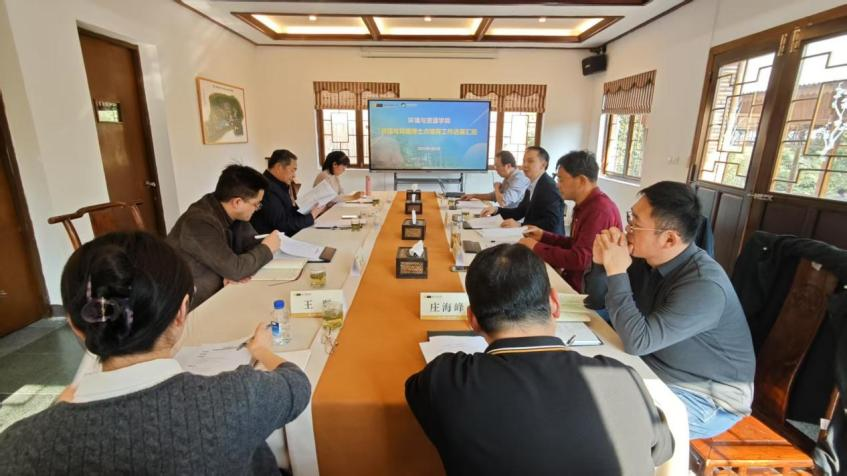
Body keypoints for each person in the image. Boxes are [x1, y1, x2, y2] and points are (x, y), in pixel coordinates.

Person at [0, 231, 311, 474]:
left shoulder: (21, 446)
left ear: (75, 325)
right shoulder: (240, 396)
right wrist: (262, 351)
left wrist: (60, 404)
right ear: (181, 312)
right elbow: (296, 383)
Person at [406, 244, 673, 475]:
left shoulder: (447, 379)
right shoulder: (622, 378)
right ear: (554, 304)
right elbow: (662, 450)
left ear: (472, 320)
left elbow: (415, 394)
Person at [587, 181, 755, 439]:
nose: (626, 228)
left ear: (669, 238)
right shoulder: (648, 260)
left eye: (635, 223)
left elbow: (637, 342)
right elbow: (597, 302)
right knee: (580, 372)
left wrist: (617, 271)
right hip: (656, 364)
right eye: (630, 217)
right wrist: (602, 265)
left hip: (705, 397)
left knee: (604, 416)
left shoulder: (704, 285)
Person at [167, 164, 279, 308]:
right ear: (237, 202)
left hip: (221, 292)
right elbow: (236, 269)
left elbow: (251, 245)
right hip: (188, 305)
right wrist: (266, 248)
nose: (257, 209)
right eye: (256, 204)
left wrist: (232, 271)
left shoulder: (232, 213)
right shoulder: (199, 222)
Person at [519, 150, 622, 293]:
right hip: (573, 279)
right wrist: (543, 236)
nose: (557, 185)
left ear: (581, 181)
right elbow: (576, 244)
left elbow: (581, 259)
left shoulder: (599, 210)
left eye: (561, 180)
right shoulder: (585, 205)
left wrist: (536, 247)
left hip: (587, 291)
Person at [480, 146, 564, 235]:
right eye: (524, 161)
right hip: (532, 235)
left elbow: (552, 222)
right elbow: (519, 212)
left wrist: (521, 225)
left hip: (548, 240)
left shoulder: (549, 187)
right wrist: (496, 210)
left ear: (543, 164)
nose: (525, 165)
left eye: (530, 161)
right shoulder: (532, 184)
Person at [252, 149, 325, 237]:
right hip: (275, 239)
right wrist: (311, 217)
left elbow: (287, 211)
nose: (294, 175)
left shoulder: (278, 184)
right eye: (292, 170)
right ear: (279, 167)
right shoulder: (267, 187)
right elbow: (281, 224)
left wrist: (306, 208)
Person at [461, 150, 529, 208]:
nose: (496, 169)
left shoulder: (519, 179)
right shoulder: (508, 177)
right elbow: (494, 196)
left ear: (508, 166)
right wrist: (473, 195)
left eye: (497, 166)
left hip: (514, 217)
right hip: (507, 213)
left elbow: (503, 202)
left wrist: (496, 188)